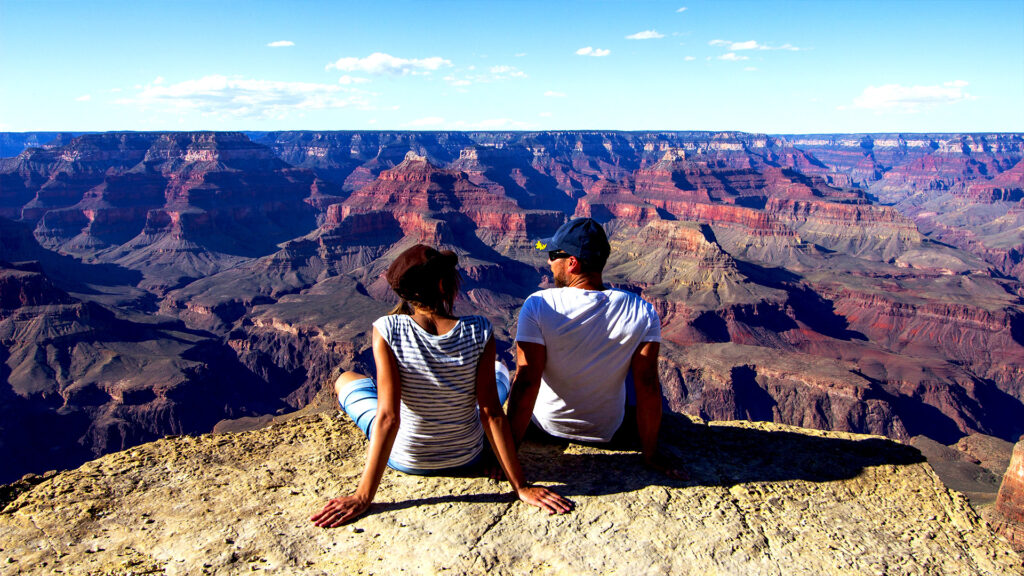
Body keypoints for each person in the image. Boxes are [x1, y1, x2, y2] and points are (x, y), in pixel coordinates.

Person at [311, 244, 572, 528]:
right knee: (498, 372)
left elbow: (388, 418)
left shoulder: (386, 330)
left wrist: (364, 496)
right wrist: (520, 486)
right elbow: (491, 414)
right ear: (441, 285)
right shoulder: (479, 329)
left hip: (407, 459)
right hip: (467, 456)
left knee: (346, 378)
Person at [506, 218, 688, 479]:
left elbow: (526, 381)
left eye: (553, 255)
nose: (548, 262)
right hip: (609, 433)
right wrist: (651, 455)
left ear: (572, 263)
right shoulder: (642, 310)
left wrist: (507, 453)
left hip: (544, 428)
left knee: (502, 383)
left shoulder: (537, 305)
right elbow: (647, 385)